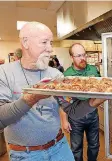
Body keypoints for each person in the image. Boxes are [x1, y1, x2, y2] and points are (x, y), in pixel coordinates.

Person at [0, 22, 74, 161]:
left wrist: (93, 102)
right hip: (25, 154)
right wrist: (31, 98)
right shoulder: (4, 73)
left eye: (51, 43)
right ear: (25, 42)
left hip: (60, 147)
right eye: (44, 42)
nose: (50, 49)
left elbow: (71, 109)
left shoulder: (55, 74)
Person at [60, 43, 105, 161]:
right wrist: (64, 120)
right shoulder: (67, 75)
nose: (83, 58)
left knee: (94, 145)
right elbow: (64, 101)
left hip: (92, 115)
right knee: (76, 147)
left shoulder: (93, 70)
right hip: (75, 117)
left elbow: (102, 88)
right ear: (72, 57)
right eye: (79, 55)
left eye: (84, 55)